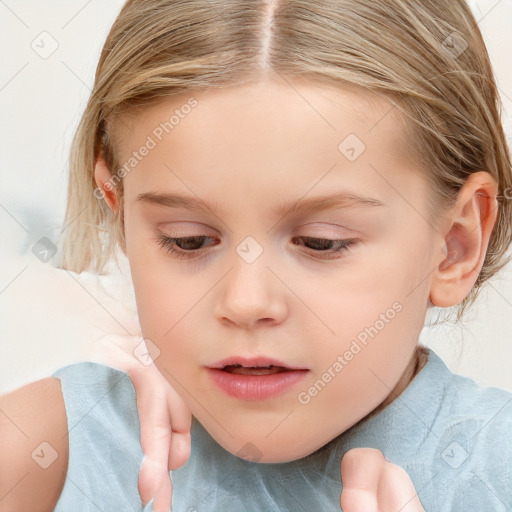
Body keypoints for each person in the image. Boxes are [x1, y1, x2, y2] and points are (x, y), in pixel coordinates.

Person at [1, 0, 512, 510]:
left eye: (321, 243)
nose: (246, 302)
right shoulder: (43, 449)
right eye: (187, 240)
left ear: (454, 245)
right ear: (120, 214)